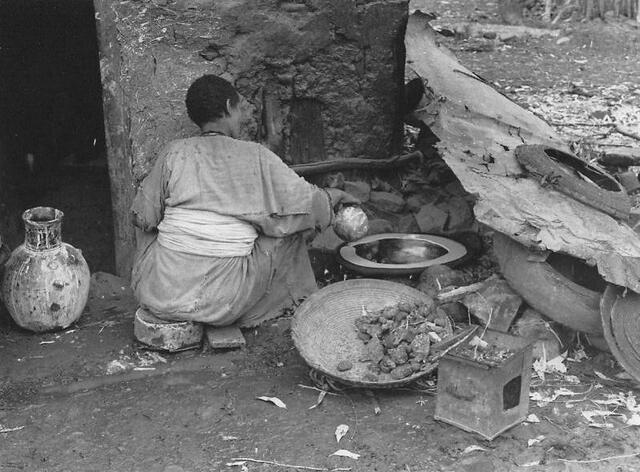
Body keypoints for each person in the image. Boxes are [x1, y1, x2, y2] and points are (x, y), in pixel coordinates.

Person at [131, 75, 358, 327]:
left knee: (147, 222)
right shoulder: (255, 156)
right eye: (239, 108)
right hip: (222, 302)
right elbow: (308, 206)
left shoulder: (173, 152)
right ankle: (291, 303)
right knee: (290, 230)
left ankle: (170, 286)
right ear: (229, 107)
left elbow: (140, 216)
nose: (241, 117)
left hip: (157, 294)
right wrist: (333, 197)